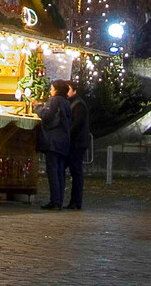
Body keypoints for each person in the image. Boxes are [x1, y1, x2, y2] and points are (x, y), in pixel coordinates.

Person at [35, 80, 73, 210]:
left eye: (52, 88)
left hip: (53, 141)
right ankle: (59, 200)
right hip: (63, 142)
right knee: (60, 172)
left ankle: (55, 201)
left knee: (53, 171)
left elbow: (47, 116)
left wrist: (38, 107)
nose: (50, 91)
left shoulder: (54, 101)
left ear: (56, 90)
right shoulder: (66, 103)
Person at [66, 82, 91, 210]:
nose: (66, 92)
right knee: (75, 172)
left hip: (77, 143)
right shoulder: (75, 103)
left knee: (76, 172)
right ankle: (74, 201)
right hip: (77, 142)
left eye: (68, 89)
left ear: (74, 91)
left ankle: (76, 201)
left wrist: (67, 136)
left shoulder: (78, 105)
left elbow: (76, 125)